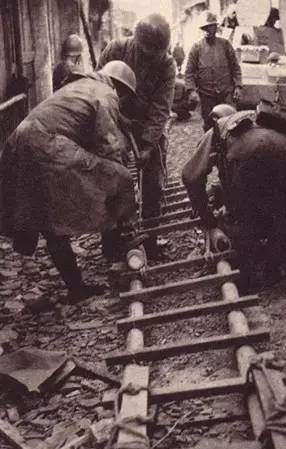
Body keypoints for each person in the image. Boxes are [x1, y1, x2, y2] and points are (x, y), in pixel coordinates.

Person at [0, 61, 137, 304]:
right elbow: (109, 146)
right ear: (120, 87)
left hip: (19, 141)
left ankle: (76, 288)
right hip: (46, 144)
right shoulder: (106, 93)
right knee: (120, 177)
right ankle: (117, 242)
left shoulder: (80, 86)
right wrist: (119, 181)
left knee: (49, 222)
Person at [182, 102, 286, 291]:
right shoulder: (258, 117)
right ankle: (273, 270)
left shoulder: (218, 129)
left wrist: (209, 220)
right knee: (281, 209)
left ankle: (246, 278)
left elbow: (190, 176)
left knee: (242, 216)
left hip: (248, 154)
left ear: (214, 119)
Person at [97, 14, 176, 259]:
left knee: (153, 183)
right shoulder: (115, 50)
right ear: (136, 41)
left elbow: (161, 107)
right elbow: (97, 92)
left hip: (146, 125)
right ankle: (112, 242)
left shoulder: (167, 65)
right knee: (111, 179)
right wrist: (119, 120)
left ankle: (150, 242)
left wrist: (149, 145)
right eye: (145, 53)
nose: (150, 58)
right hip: (113, 120)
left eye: (156, 54)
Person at [184, 10, 242, 132]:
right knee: (209, 125)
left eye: (209, 27)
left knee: (230, 123)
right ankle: (211, 144)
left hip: (226, 93)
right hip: (206, 95)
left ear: (215, 27)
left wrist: (238, 86)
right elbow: (189, 72)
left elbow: (235, 67)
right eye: (203, 28)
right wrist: (191, 90)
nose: (206, 30)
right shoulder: (196, 47)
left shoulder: (225, 45)